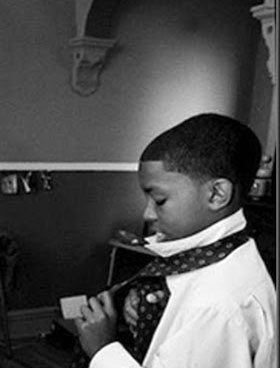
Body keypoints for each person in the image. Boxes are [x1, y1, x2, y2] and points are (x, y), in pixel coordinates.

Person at [74, 113, 277, 367]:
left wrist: (102, 349)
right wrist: (153, 311)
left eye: (159, 200)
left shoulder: (217, 306)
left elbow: (200, 319)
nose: (147, 214)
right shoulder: (218, 253)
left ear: (216, 194)